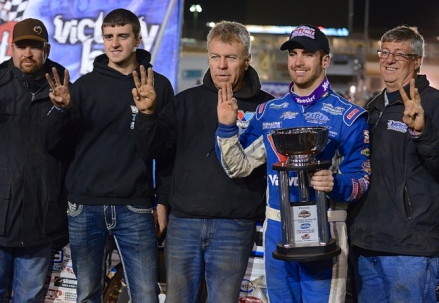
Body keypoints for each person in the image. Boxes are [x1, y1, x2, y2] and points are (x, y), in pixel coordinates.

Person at [215, 24, 371, 303]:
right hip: (277, 228)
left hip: (326, 230)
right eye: (293, 53)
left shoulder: (349, 116)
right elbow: (236, 166)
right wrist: (226, 128)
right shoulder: (268, 112)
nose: (298, 61)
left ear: (325, 61)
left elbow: (362, 179)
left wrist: (337, 183)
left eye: (307, 54)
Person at [133, 21, 274, 302]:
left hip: (234, 227)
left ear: (246, 60)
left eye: (230, 57)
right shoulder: (185, 102)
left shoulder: (266, 108)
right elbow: (155, 153)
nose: (221, 65)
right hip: (184, 223)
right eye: (215, 56)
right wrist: (147, 116)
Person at [44, 8, 174, 302]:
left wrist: (148, 115)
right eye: (109, 37)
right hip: (84, 206)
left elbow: (163, 154)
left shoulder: (158, 86)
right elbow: (54, 145)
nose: (115, 43)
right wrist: (61, 112)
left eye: (122, 36)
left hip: (135, 207)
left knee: (145, 295)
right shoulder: (83, 87)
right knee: (87, 294)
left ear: (138, 39)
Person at [0, 18, 70, 302]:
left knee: (29, 298)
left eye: (35, 46)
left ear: (47, 49)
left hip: (40, 217)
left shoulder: (63, 91)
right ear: (12, 47)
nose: (28, 53)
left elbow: (63, 149)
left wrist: (63, 111)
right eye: (22, 46)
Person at [348, 26, 439, 303]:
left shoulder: (434, 104)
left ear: (417, 60)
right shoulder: (374, 107)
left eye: (399, 54)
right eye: (385, 52)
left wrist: (422, 134)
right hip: (368, 242)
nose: (388, 60)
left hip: (411, 248)